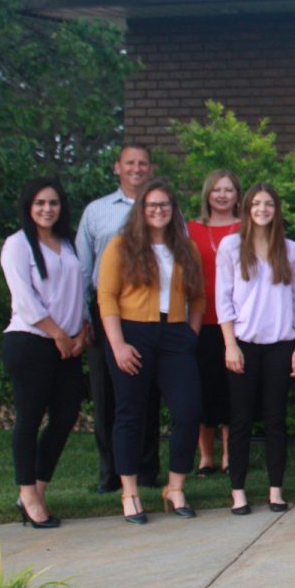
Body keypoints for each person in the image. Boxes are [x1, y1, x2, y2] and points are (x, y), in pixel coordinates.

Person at [96, 180, 205, 524]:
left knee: (188, 410)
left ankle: (175, 488)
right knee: (130, 414)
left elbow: (198, 297)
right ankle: (130, 492)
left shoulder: (186, 248)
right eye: (152, 205)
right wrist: (117, 344)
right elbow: (106, 296)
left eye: (165, 205)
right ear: (141, 210)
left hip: (175, 335)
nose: (158, 210)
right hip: (132, 333)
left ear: (173, 210)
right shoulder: (121, 245)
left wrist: (190, 334)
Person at [0, 178, 87, 528]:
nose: (47, 209)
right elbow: (24, 298)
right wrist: (58, 334)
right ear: (29, 207)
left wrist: (82, 330)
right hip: (31, 341)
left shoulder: (67, 243)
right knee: (30, 418)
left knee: (65, 416)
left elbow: (79, 292)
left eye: (53, 203)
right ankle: (28, 495)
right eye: (40, 203)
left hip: (69, 345)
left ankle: (37, 488)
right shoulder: (18, 245)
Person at [217, 184, 295, 514]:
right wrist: (230, 345)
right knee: (240, 421)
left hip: (280, 345)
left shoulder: (289, 249)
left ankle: (275, 491)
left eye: (268, 204)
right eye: (256, 203)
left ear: (276, 210)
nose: (262, 209)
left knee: (275, 421)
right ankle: (238, 491)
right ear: (246, 208)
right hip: (243, 345)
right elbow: (223, 299)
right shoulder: (231, 246)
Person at [76, 143, 161, 492]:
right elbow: (83, 269)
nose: (136, 169)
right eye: (129, 163)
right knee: (107, 393)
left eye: (142, 163)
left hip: (152, 313)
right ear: (117, 167)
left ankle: (146, 469)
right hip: (107, 310)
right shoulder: (96, 212)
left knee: (149, 392)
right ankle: (110, 472)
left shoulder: (163, 210)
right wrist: (83, 316)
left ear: (150, 169)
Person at [187, 169, 240, 476]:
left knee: (232, 388)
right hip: (201, 319)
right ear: (207, 194)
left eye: (228, 190)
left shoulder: (246, 227)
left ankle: (230, 455)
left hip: (236, 322)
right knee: (203, 388)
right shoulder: (190, 229)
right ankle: (206, 456)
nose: (222, 195)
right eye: (217, 190)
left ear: (237, 195)